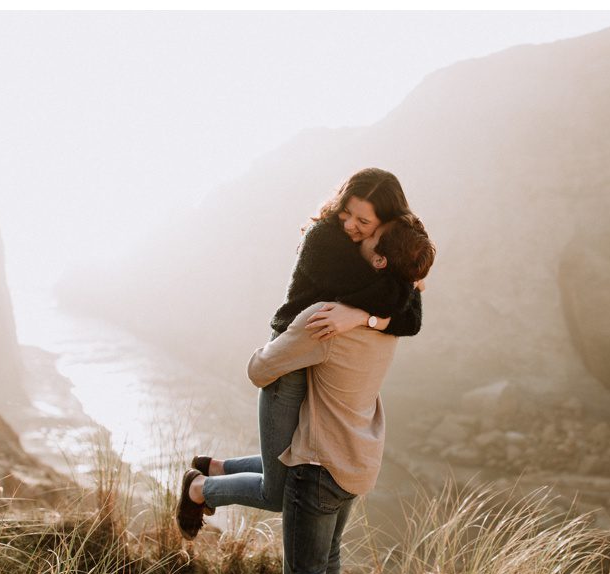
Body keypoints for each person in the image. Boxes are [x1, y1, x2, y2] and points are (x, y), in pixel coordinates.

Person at [179, 216, 435, 574]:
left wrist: (283, 338)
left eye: (368, 233)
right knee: (328, 558)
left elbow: (260, 370)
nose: (354, 234)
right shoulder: (390, 319)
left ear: (378, 260)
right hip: (358, 457)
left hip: (318, 464)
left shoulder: (327, 321)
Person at [181, 168, 426, 523]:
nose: (350, 225)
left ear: (385, 224)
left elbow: (409, 320)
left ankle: (216, 467)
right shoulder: (325, 241)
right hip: (292, 360)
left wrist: (362, 317)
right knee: (278, 492)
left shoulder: (369, 257)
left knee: (292, 461)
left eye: (363, 220)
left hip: (323, 360)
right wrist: (409, 280)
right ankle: (200, 488)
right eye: (347, 213)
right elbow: (396, 303)